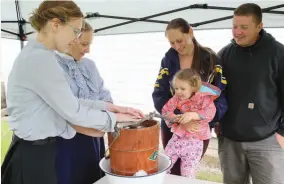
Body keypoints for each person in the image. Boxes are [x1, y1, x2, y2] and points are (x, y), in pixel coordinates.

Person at [1, 1, 143, 184]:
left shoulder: (41, 55)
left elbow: (71, 102)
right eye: (76, 31)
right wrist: (115, 119)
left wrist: (112, 107)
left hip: (41, 152)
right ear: (55, 25)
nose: (76, 38)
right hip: (34, 156)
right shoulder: (39, 60)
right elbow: (73, 112)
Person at [217, 3, 284, 184]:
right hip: (230, 141)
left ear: (259, 26)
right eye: (235, 26)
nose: (237, 32)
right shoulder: (224, 54)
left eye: (244, 27)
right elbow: (214, 93)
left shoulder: (278, 53)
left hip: (267, 140)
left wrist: (283, 132)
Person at [152, 18, 227, 175]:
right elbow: (159, 94)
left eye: (180, 40)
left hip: (199, 129)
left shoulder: (212, 59)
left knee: (187, 170)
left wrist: (199, 119)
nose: (177, 47)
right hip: (172, 127)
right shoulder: (168, 60)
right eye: (172, 43)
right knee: (169, 170)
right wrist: (179, 120)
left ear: (190, 32)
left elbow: (221, 96)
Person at [54, 21, 113, 184]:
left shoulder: (90, 65)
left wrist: (113, 114)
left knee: (93, 177)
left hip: (94, 137)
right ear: (70, 39)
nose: (88, 50)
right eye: (84, 44)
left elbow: (104, 94)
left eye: (89, 44)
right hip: (68, 141)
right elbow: (66, 107)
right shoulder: (52, 65)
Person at [162, 68, 220, 178]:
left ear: (193, 87)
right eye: (176, 88)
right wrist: (176, 118)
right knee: (164, 165)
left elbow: (211, 112)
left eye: (182, 88)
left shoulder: (204, 98)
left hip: (195, 142)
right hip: (177, 138)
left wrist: (194, 115)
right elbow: (165, 111)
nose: (178, 92)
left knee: (188, 172)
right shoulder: (176, 98)